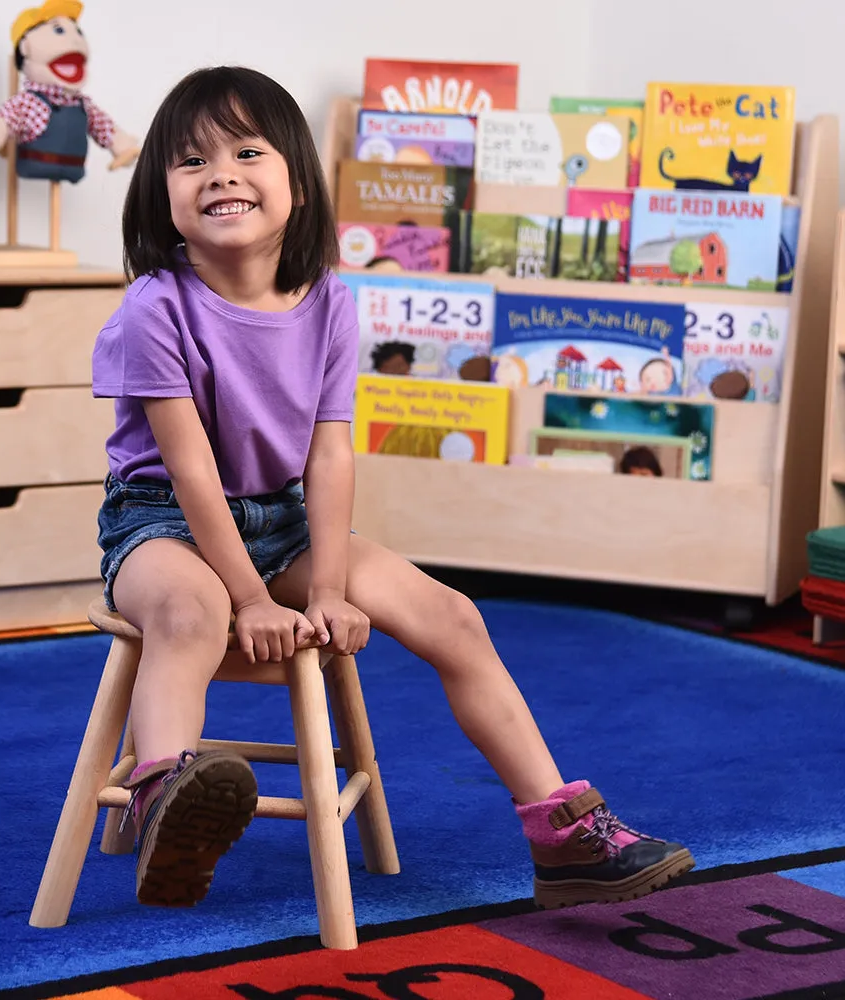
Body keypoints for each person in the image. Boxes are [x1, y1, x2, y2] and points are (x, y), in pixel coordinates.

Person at [91, 65, 695, 912]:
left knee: (451, 614)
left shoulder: (331, 302)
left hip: (283, 521)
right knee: (191, 617)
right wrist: (249, 600)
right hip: (162, 524)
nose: (220, 172)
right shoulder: (155, 308)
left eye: (247, 151)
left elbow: (328, 456)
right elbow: (190, 471)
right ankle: (167, 798)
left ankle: (560, 833)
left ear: (297, 184)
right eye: (191, 162)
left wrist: (328, 586)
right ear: (162, 198)